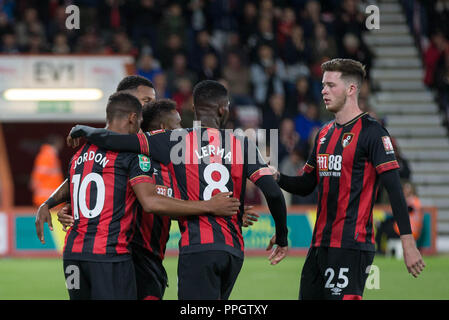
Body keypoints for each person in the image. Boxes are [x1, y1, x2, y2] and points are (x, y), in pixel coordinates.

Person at [68, 80, 289, 300]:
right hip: (233, 251)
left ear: (193, 109)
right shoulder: (243, 144)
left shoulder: (175, 141)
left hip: (197, 248)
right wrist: (281, 236)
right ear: (224, 109)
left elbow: (116, 140)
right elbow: (273, 193)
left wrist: (84, 130)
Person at [270, 58, 425, 300]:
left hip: (351, 246)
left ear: (351, 89)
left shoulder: (372, 132)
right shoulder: (323, 133)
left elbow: (394, 189)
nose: (323, 91)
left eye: (331, 85)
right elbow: (307, 184)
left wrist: (407, 241)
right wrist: (277, 177)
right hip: (319, 245)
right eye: (323, 85)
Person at [35, 75, 157, 244]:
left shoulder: (157, 137)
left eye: (154, 101)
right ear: (125, 99)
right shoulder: (99, 145)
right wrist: (69, 205)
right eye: (146, 100)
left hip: (148, 237)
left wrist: (82, 129)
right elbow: (89, 179)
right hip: (119, 242)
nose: (153, 106)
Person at [30, 134, 64, 207]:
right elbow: (40, 175)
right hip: (47, 198)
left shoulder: (49, 155)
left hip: (48, 198)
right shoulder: (48, 155)